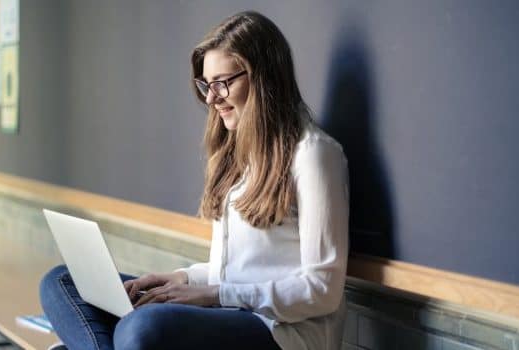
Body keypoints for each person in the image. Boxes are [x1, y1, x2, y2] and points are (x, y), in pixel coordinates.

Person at [40, 10, 349, 350]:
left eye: (222, 83)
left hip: (279, 330)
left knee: (142, 327)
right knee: (62, 283)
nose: (211, 99)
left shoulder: (315, 155)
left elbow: (322, 290)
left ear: (263, 78)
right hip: (226, 307)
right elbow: (233, 271)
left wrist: (214, 295)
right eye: (206, 84)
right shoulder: (236, 156)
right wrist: (182, 278)